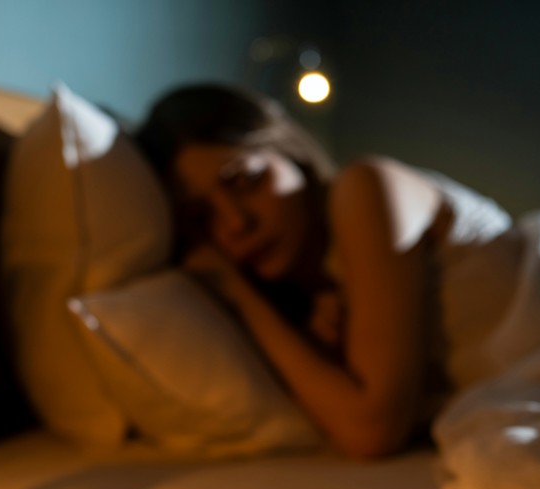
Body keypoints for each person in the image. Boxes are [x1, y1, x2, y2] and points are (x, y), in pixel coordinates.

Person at [135, 84, 507, 459]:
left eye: (246, 180)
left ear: (287, 149)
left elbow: (371, 432)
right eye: (202, 217)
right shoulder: (311, 310)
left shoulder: (365, 186)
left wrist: (238, 294)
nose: (235, 223)